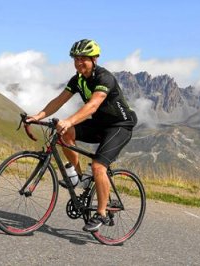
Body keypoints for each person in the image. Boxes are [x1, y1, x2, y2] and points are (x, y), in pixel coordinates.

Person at [26, 39, 137, 232]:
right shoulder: (77, 79)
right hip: (99, 124)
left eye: (83, 59)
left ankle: (101, 213)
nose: (79, 63)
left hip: (120, 126)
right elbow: (58, 101)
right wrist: (37, 116)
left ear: (94, 59)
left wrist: (69, 120)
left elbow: (93, 105)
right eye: (76, 59)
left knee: (98, 166)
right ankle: (77, 176)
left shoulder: (105, 78)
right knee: (65, 133)